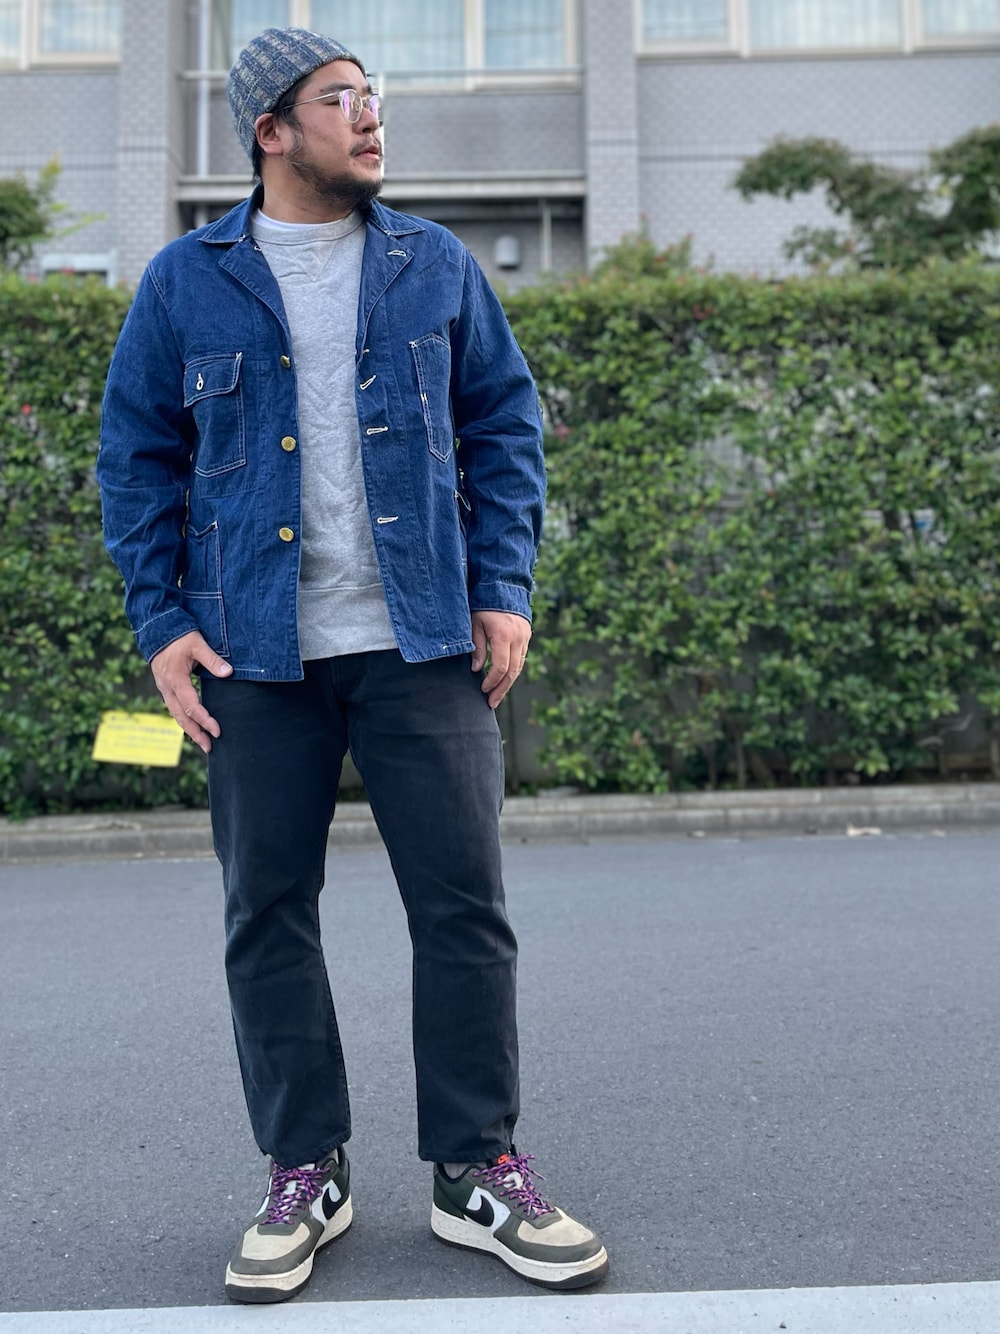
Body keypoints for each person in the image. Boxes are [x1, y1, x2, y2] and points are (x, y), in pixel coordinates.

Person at [98, 25, 607, 1306]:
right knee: (266, 910)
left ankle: (476, 1167)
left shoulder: (434, 265)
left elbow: (504, 424)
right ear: (270, 130)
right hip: (254, 651)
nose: (372, 117)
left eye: (374, 97)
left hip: (422, 637)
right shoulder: (184, 282)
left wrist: (502, 589)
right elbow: (135, 458)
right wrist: (161, 623)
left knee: (463, 906)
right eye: (341, 98)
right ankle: (304, 1169)